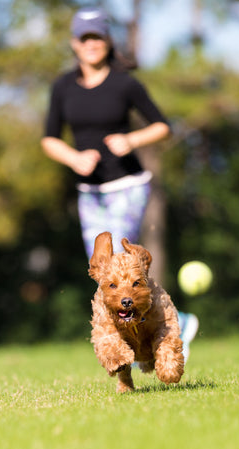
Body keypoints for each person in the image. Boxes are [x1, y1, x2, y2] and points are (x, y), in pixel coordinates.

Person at [41, 7, 199, 358]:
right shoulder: (63, 87)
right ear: (74, 44)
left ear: (107, 41)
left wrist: (132, 141)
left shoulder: (124, 83)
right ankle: (173, 323)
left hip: (127, 185)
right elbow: (49, 139)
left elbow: (162, 125)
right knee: (101, 271)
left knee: (118, 264)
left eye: (97, 36)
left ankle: (159, 331)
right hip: (90, 192)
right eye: (85, 38)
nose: (91, 44)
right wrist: (74, 158)